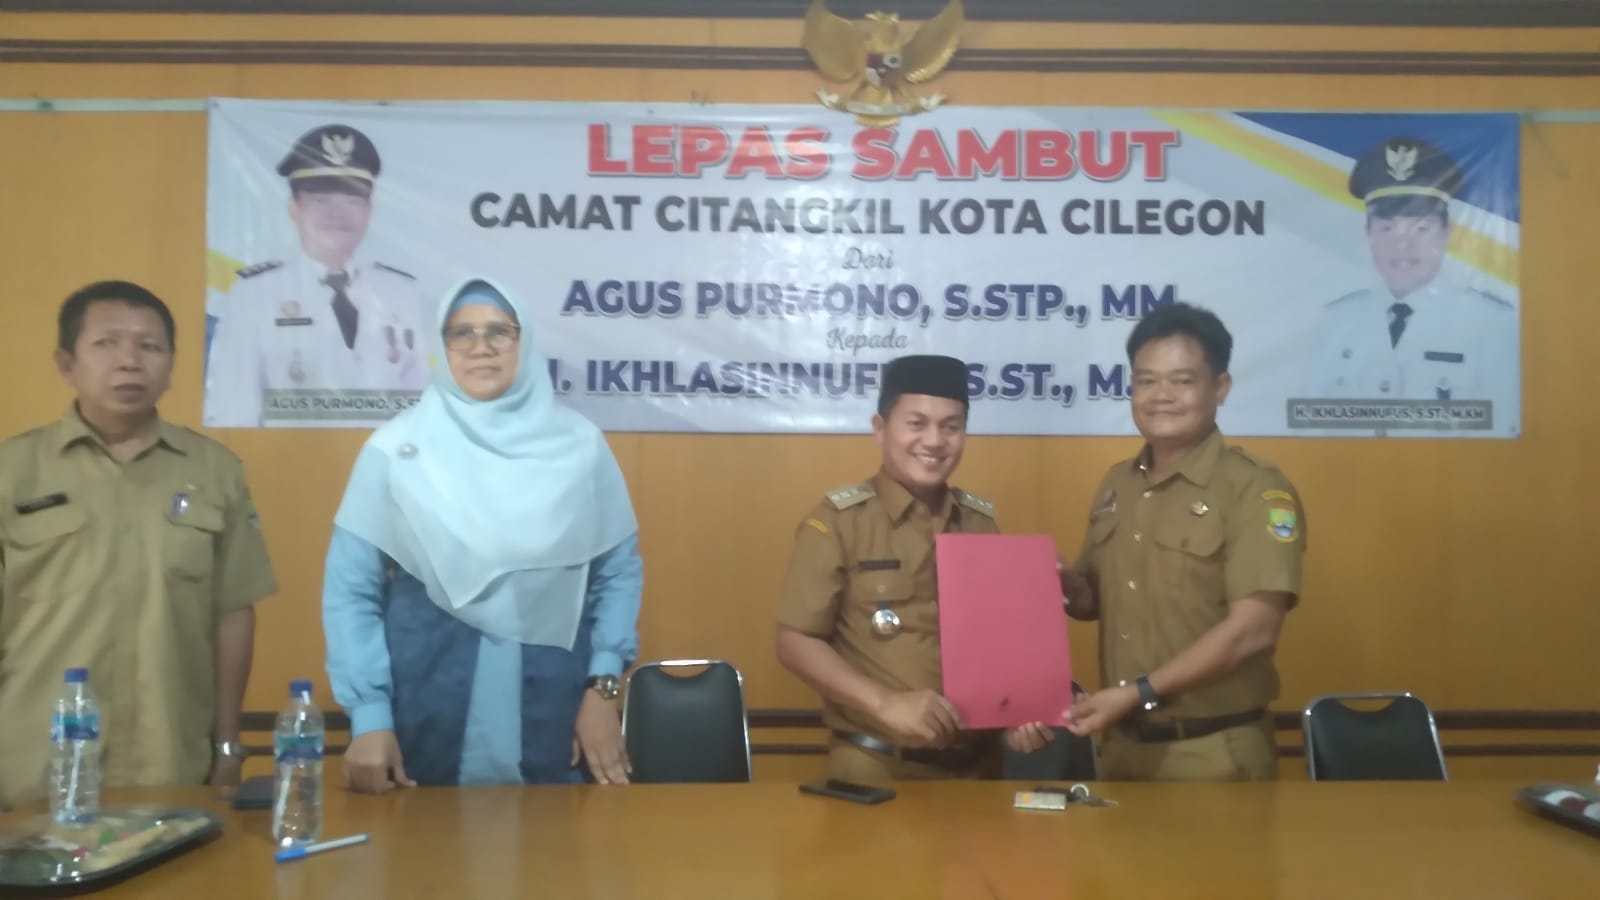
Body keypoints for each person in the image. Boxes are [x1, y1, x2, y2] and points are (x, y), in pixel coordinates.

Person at [322, 277, 643, 790]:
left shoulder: (580, 447)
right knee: (426, 842)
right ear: (443, 346)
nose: (481, 347)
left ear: (525, 342)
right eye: (462, 333)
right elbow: (350, 590)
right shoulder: (395, 450)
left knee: (555, 841)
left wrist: (602, 691)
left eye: (500, 332)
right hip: (424, 710)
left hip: (557, 712)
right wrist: (369, 716)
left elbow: (617, 575)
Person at [0, 281, 276, 809]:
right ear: (66, 364)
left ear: (171, 366)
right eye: (106, 343)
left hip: (171, 762)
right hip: (31, 767)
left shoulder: (215, 471)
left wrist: (227, 743)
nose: (129, 361)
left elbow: (233, 614)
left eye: (150, 347)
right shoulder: (12, 472)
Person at [1058, 303, 1306, 781]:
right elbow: (1093, 602)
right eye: (1146, 380)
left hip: (1213, 751)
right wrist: (1063, 583)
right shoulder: (1117, 485)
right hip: (1121, 746)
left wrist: (1139, 693)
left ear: (1220, 387)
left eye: (1182, 381)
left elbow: (1253, 630)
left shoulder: (1254, 489)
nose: (1161, 396)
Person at [775, 354, 1049, 785]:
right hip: (876, 767)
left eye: (951, 426)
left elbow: (996, 642)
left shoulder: (979, 523)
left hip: (978, 772)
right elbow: (794, 641)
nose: (934, 441)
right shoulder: (838, 523)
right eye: (916, 424)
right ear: (879, 428)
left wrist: (1016, 714)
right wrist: (884, 703)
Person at [205, 123, 430, 428]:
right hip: (288, 456)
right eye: (321, 200)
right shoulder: (254, 293)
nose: (337, 213)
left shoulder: (399, 292)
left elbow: (418, 407)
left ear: (369, 211)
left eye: (352, 201)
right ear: (294, 209)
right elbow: (233, 411)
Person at [1303, 136, 1517, 421]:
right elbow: (1315, 425)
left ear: (1446, 233)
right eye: (1387, 228)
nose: (1403, 244)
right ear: (1368, 233)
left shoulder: (1492, 324)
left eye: (1421, 228)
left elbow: (1505, 425)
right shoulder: (1337, 321)